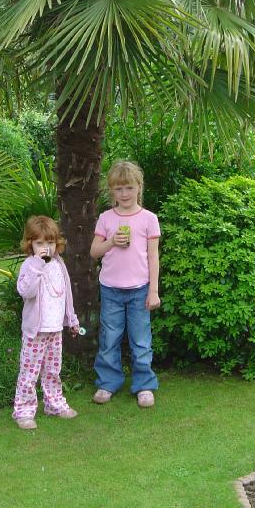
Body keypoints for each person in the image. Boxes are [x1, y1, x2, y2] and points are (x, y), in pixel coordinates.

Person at [90, 160, 160, 408]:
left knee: (141, 340)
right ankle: (107, 382)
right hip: (110, 289)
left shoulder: (149, 219)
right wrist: (110, 242)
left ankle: (144, 385)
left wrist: (153, 291)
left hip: (140, 290)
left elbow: (153, 257)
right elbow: (94, 251)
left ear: (139, 187)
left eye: (129, 188)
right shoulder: (106, 218)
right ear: (112, 191)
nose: (125, 194)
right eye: (119, 189)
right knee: (109, 338)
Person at [12, 215, 80, 430]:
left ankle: (54, 404)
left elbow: (66, 294)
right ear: (30, 243)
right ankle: (23, 411)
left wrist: (72, 320)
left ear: (56, 243)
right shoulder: (29, 265)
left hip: (55, 330)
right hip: (35, 331)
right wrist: (38, 265)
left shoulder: (59, 264)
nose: (46, 247)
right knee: (29, 372)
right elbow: (26, 292)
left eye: (50, 242)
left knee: (53, 371)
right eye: (40, 243)